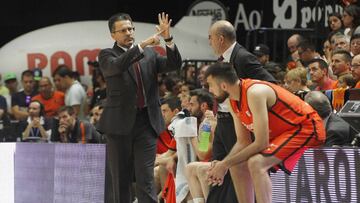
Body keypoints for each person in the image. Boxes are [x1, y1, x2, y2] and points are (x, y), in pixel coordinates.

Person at [205, 62, 325, 203]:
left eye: (210, 85)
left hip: (306, 128)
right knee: (236, 164)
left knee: (256, 163)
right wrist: (224, 164)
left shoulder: (255, 93)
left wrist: (223, 164)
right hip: (285, 133)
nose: (210, 90)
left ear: (223, 86)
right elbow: (243, 142)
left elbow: (261, 143)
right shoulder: (232, 102)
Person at [97, 12, 182, 203]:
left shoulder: (149, 54)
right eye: (123, 30)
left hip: (146, 122)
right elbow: (116, 67)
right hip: (119, 126)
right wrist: (141, 45)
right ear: (113, 35)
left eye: (131, 28)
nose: (129, 32)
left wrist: (168, 39)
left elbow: (173, 64)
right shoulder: (107, 55)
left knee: (146, 179)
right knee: (122, 180)